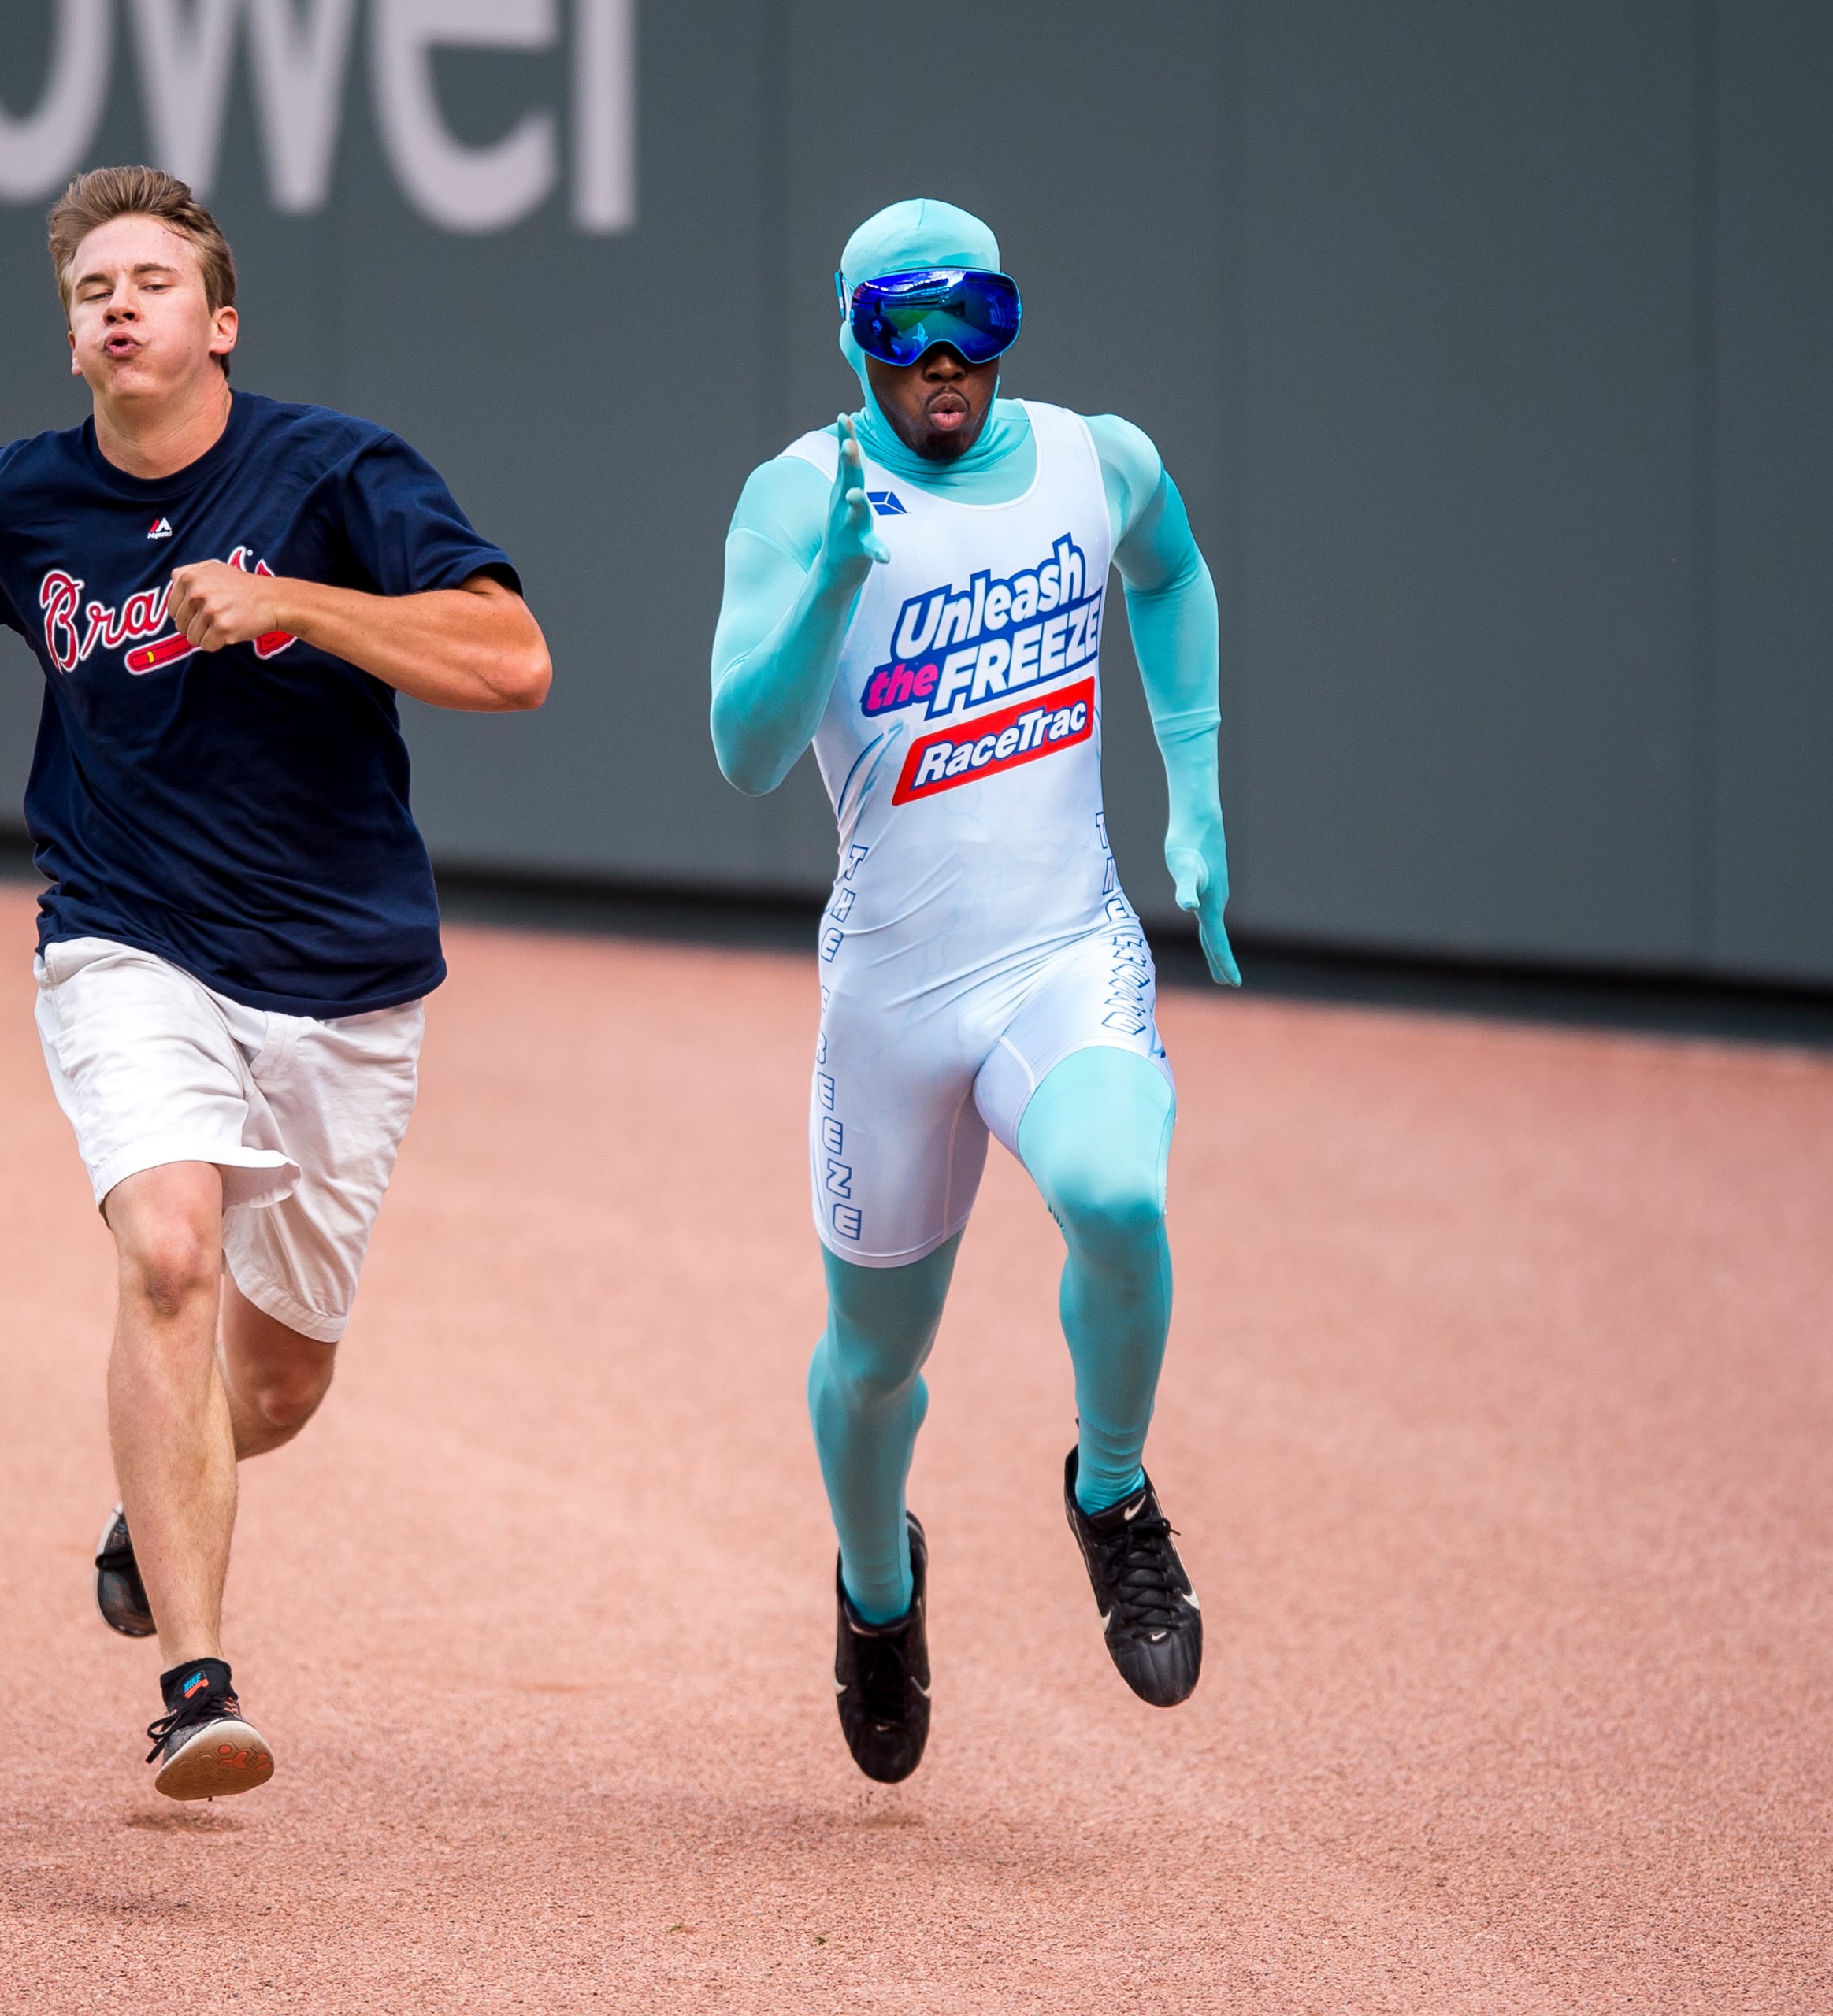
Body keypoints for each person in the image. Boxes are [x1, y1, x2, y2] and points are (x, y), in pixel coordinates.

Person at [0, 166, 549, 1801]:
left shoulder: (334, 470)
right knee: (171, 1256)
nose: (116, 305)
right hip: (128, 937)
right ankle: (198, 1684)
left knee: (272, 1382)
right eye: (89, 290)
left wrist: (292, 603)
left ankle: (155, 1494)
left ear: (221, 320)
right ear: (73, 340)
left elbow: (512, 658)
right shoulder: (20, 499)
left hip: (343, 978)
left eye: (149, 280)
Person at [707, 198, 1241, 1783]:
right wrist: (826, 588)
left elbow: (1174, 570)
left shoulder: (1097, 458)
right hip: (894, 996)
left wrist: (1193, 791)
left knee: (1116, 1195)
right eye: (905, 333)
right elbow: (742, 751)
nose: (944, 364)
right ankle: (880, 1591)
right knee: (877, 1360)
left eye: (975, 325)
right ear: (859, 338)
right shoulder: (801, 497)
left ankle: (1114, 1490)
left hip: (1062, 948)